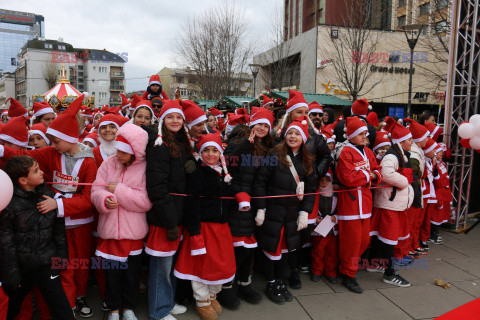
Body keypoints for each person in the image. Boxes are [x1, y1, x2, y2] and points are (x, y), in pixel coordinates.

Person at [0, 95, 98, 317]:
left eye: (56, 141)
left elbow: (88, 197)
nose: (51, 144)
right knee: (63, 267)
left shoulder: (89, 161)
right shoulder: (53, 152)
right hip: (55, 221)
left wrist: (59, 205)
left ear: (70, 138)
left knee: (80, 266)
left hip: (78, 221)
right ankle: (66, 304)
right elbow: (26, 155)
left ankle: (80, 295)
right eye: (51, 141)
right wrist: (3, 151)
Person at [0, 155, 74, 320]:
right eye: (36, 171)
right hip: (21, 269)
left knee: (62, 308)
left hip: (47, 265)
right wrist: (11, 276)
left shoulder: (48, 196)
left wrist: (61, 259)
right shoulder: (9, 205)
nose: (41, 172)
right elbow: (6, 244)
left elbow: (58, 232)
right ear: (23, 180)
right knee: (11, 308)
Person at [91, 123, 152, 320]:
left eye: (124, 152)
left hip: (133, 233)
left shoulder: (144, 168)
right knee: (112, 275)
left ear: (135, 152)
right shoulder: (108, 163)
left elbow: (145, 202)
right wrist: (103, 200)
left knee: (131, 275)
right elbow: (95, 190)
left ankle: (128, 307)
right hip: (109, 232)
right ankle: (114, 308)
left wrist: (118, 190)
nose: (118, 154)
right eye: (118, 149)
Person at [174, 132, 237, 320]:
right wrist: (194, 232)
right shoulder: (197, 174)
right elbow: (191, 205)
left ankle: (212, 296)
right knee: (200, 266)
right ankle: (201, 301)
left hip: (221, 229)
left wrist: (238, 195)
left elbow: (228, 199)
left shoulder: (224, 173)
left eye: (214, 150)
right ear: (201, 153)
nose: (210, 154)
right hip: (203, 228)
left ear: (220, 153)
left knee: (219, 265)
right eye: (206, 151)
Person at [254, 116, 316, 304]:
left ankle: (280, 281)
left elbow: (311, 190)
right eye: (290, 133)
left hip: (291, 214)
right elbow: (260, 182)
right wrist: (261, 208)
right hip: (273, 212)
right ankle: (271, 282)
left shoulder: (307, 160)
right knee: (272, 249)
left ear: (303, 138)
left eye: (297, 133)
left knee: (285, 249)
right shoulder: (274, 155)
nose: (293, 136)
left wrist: (304, 212)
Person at [218, 108, 274, 309]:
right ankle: (225, 288)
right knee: (235, 247)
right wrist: (245, 145)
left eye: (266, 126)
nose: (262, 128)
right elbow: (226, 165)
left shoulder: (268, 147)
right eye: (259, 124)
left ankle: (244, 283)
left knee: (248, 247)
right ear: (252, 124)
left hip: (254, 203)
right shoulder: (238, 141)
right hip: (236, 202)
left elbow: (264, 179)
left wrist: (262, 206)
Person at [144, 99, 193, 320]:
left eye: (178, 117)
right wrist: (170, 221)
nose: (175, 121)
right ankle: (158, 310)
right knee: (161, 266)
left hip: (177, 214)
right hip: (165, 218)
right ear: (162, 120)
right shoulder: (159, 145)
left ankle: (168, 302)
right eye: (170, 117)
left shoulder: (180, 143)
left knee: (171, 263)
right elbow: (157, 187)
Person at [335, 116, 382, 294]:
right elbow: (348, 178)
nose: (365, 136)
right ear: (352, 135)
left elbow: (377, 171)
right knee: (351, 243)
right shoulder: (346, 152)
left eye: (366, 133)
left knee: (363, 241)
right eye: (361, 133)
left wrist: (370, 175)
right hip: (351, 204)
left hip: (366, 204)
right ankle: (348, 274)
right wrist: (369, 176)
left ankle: (348, 266)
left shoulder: (368, 152)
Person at [369, 118, 414, 287]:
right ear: (401, 141)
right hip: (390, 204)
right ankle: (389, 273)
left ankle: (375, 264)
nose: (412, 142)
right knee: (388, 239)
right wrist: (404, 182)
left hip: (393, 204)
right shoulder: (392, 156)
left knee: (384, 237)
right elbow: (386, 174)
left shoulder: (399, 154)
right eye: (409, 139)